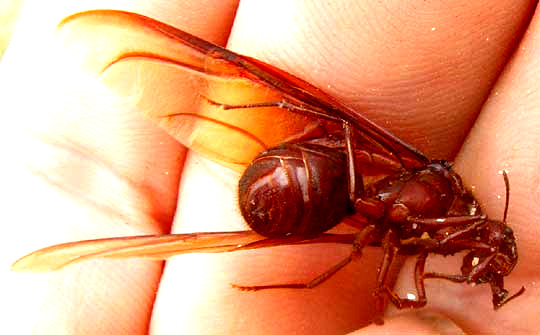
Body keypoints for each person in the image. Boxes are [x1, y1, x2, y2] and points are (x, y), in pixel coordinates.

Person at [2, 1, 538, 334]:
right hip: (317, 178)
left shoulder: (406, 230)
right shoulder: (437, 191)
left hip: (323, 198)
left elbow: (397, 258)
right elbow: (401, 194)